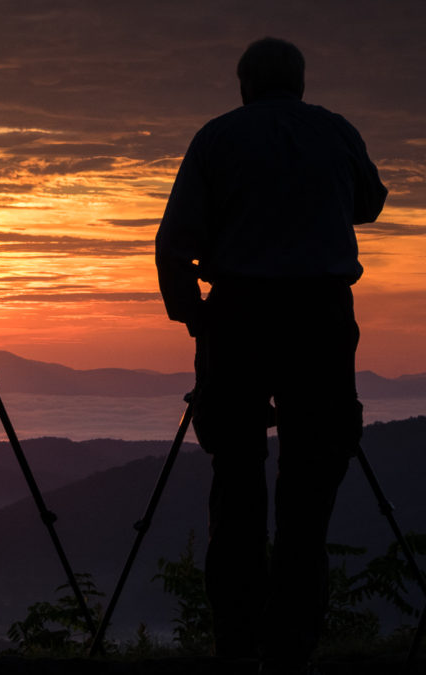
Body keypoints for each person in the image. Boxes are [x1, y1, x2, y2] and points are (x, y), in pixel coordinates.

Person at [155, 38, 387, 673]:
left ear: (243, 85)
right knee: (310, 488)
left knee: (235, 481)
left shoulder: (217, 138)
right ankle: (292, 646)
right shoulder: (336, 132)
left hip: (239, 319)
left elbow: (174, 243)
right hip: (322, 319)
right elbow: (370, 202)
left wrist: (195, 317)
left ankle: (236, 642)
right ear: (303, 83)